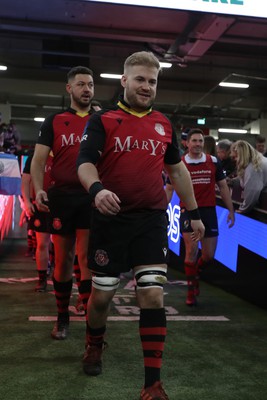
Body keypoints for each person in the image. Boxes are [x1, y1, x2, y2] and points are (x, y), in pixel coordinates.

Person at [77, 51, 205, 400]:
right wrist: (97, 189)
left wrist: (195, 214)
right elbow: (85, 163)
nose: (146, 86)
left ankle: (152, 383)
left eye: (152, 81)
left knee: (151, 294)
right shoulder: (102, 121)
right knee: (101, 297)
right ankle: (94, 344)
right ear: (124, 81)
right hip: (109, 220)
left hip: (151, 220)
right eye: (140, 80)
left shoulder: (164, 124)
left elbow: (177, 171)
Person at [31, 66, 95, 340]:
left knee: (87, 257)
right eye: (81, 84)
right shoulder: (54, 120)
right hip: (62, 197)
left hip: (92, 195)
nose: (87, 89)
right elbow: (38, 160)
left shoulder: (103, 120)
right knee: (64, 259)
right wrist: (37, 189)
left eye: (90, 84)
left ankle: (91, 317)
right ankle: (62, 317)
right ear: (69, 89)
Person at [166, 128, 235, 306]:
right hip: (188, 211)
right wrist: (161, 209)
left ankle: (195, 272)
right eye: (194, 141)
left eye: (200, 141)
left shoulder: (213, 161)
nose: (197, 144)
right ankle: (191, 292)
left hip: (208, 211)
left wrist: (231, 210)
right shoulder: (179, 163)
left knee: (209, 255)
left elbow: (223, 187)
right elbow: (169, 188)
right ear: (187, 143)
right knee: (191, 250)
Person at [21, 151, 54, 291]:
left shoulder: (65, 151)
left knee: (65, 246)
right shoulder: (34, 155)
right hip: (41, 203)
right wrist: (27, 202)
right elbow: (26, 181)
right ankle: (42, 279)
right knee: (42, 243)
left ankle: (60, 274)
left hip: (62, 203)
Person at [230, 140, 267, 213]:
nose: (235, 160)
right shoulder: (257, 159)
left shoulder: (253, 168)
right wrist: (234, 180)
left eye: (235, 157)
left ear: (241, 155)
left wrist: (242, 209)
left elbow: (252, 192)